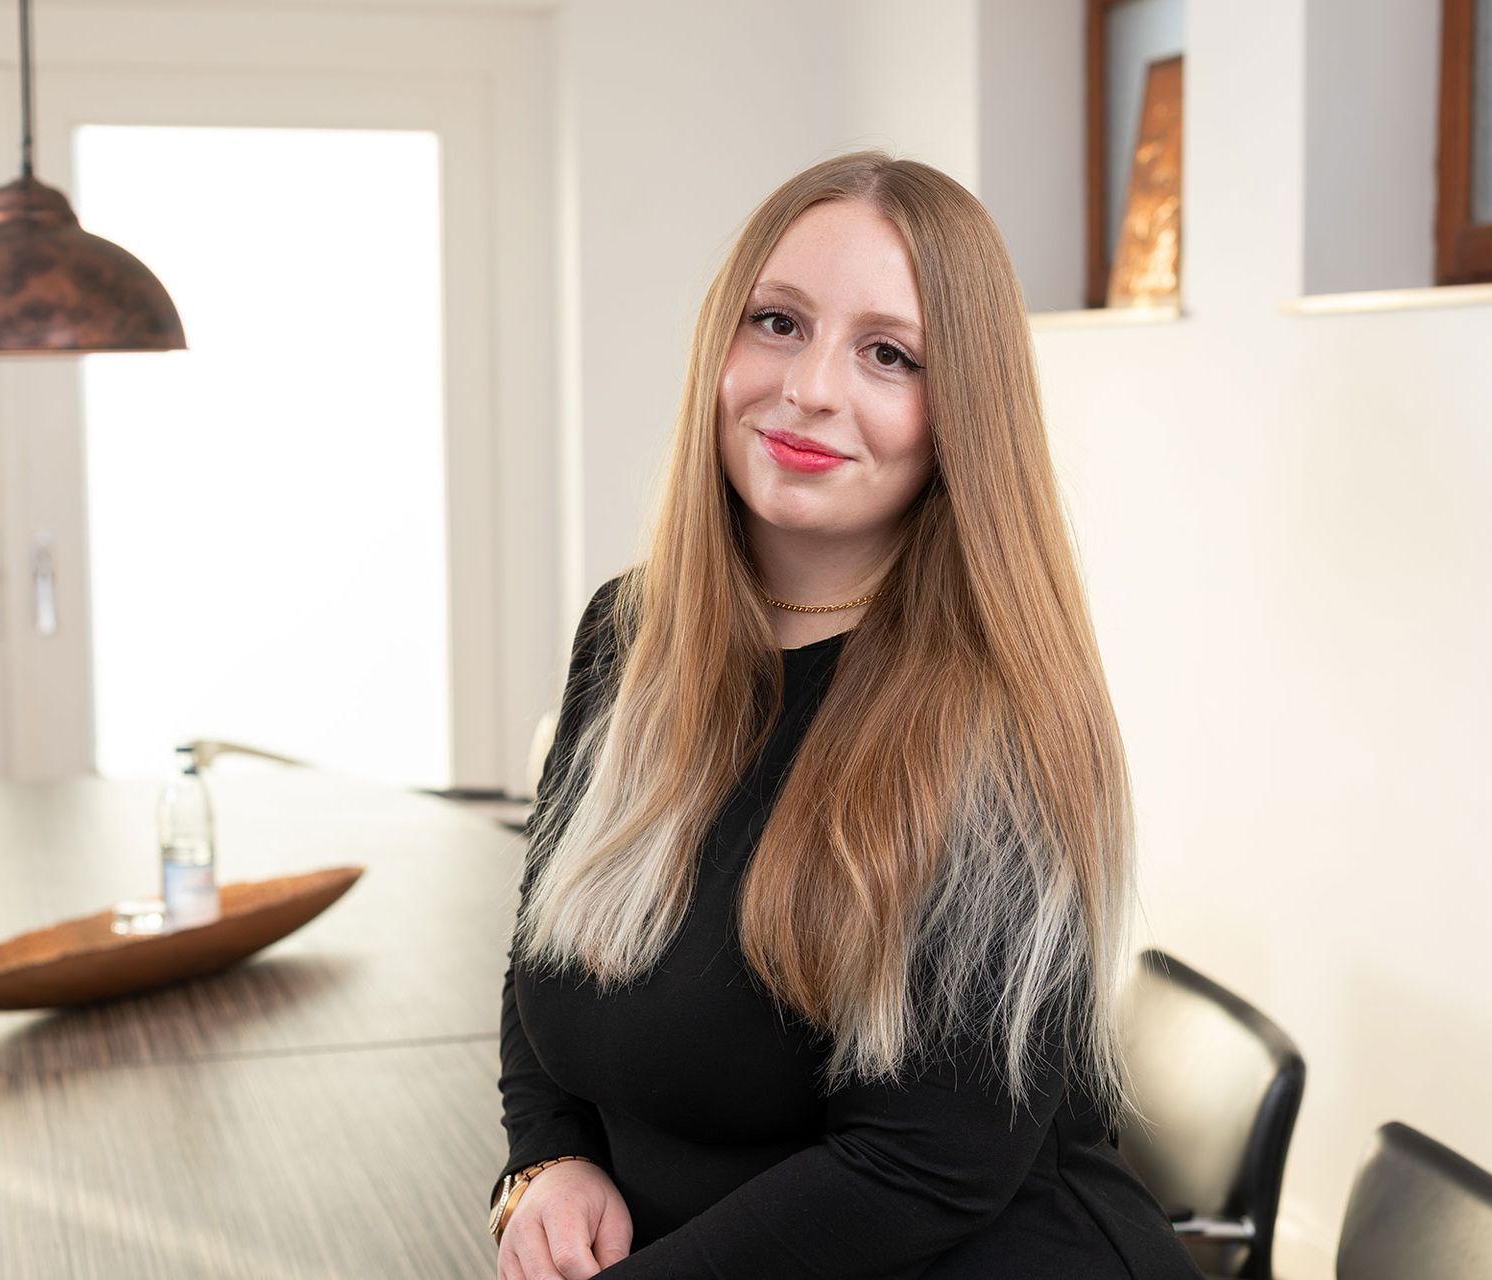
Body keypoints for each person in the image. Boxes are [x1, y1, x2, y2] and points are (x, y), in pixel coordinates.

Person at [490, 150, 1199, 1279]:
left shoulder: (998, 708)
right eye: (777, 322)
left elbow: (927, 1164)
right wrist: (545, 1158)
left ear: (959, 408)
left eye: (887, 352)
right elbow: (549, 945)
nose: (811, 386)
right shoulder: (630, 633)